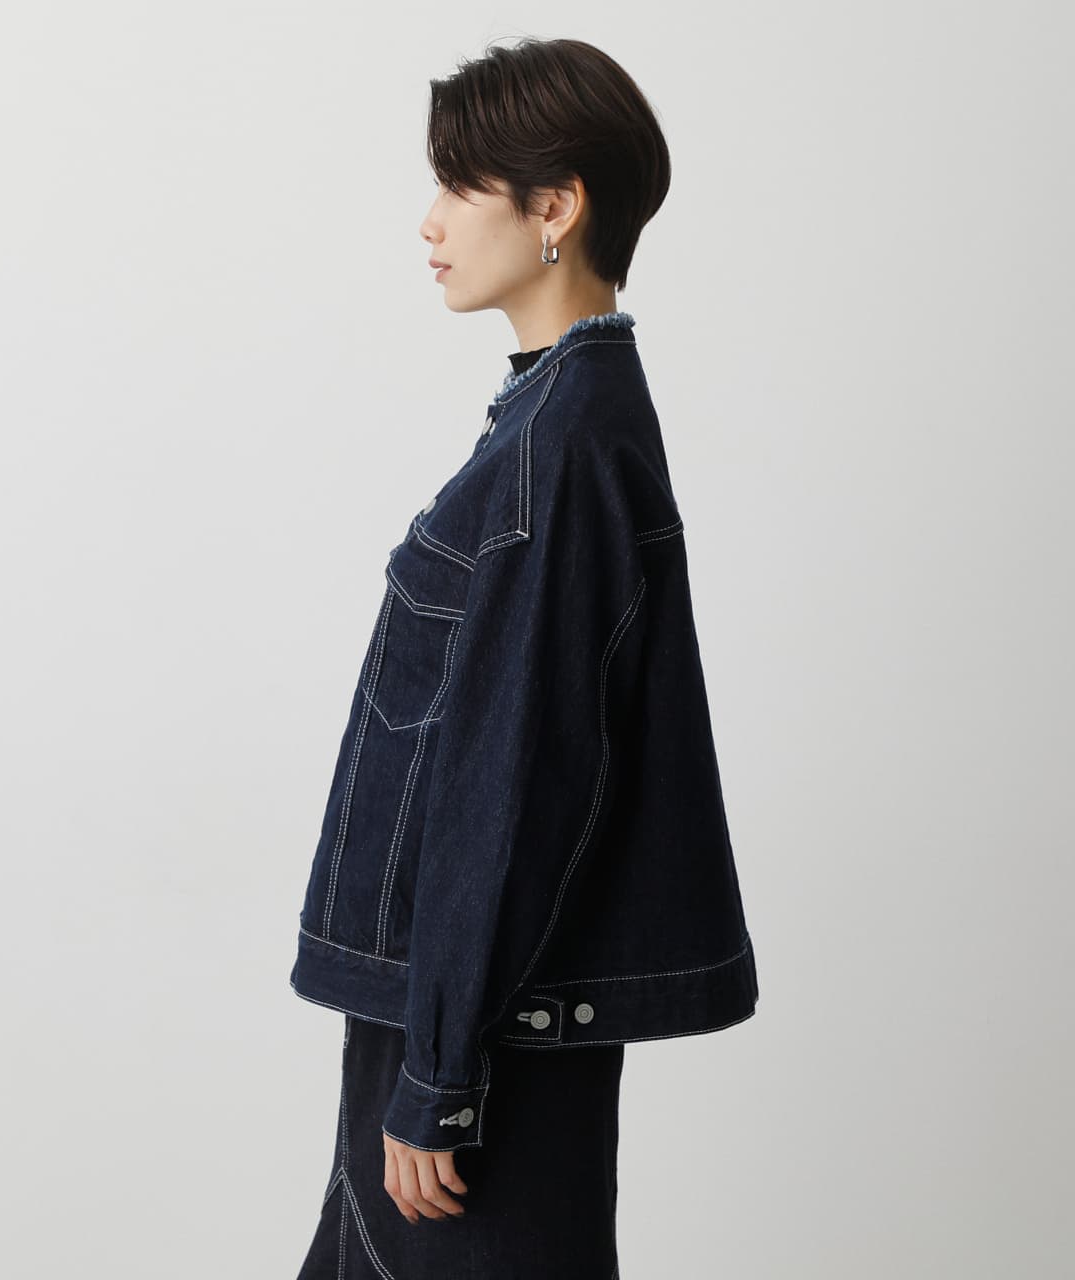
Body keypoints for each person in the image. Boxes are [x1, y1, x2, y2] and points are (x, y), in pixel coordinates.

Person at [293, 36, 759, 1280]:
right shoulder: (549, 421)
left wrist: (442, 1069)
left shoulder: (561, 450)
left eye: (460, 185)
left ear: (555, 208)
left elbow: (513, 782)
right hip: (451, 1015)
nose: (430, 221)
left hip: (483, 1041)